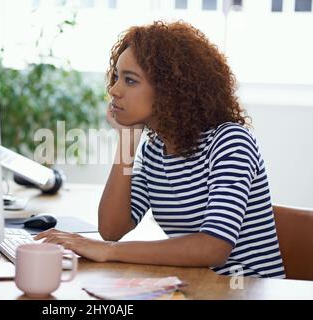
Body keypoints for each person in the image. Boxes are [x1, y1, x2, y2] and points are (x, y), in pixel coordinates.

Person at [35, 21, 285, 278]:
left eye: (130, 80)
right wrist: (128, 140)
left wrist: (108, 250)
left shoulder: (230, 142)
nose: (114, 90)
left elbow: (213, 247)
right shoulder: (155, 151)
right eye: (117, 77)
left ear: (170, 91)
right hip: (200, 289)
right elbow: (112, 229)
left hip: (247, 291)